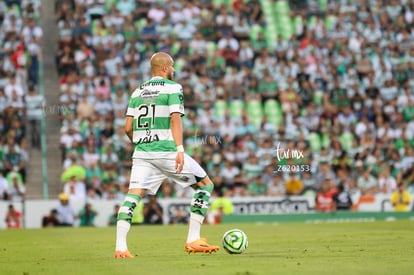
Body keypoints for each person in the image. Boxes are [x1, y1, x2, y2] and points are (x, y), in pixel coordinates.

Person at [114, 52, 219, 258]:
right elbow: (175, 119)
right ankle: (193, 239)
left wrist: (143, 142)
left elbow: (127, 128)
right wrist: (179, 149)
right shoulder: (173, 87)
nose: (173, 70)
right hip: (167, 151)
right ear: (164, 68)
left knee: (133, 196)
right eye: (172, 67)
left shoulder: (137, 92)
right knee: (206, 185)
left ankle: (120, 247)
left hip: (142, 153)